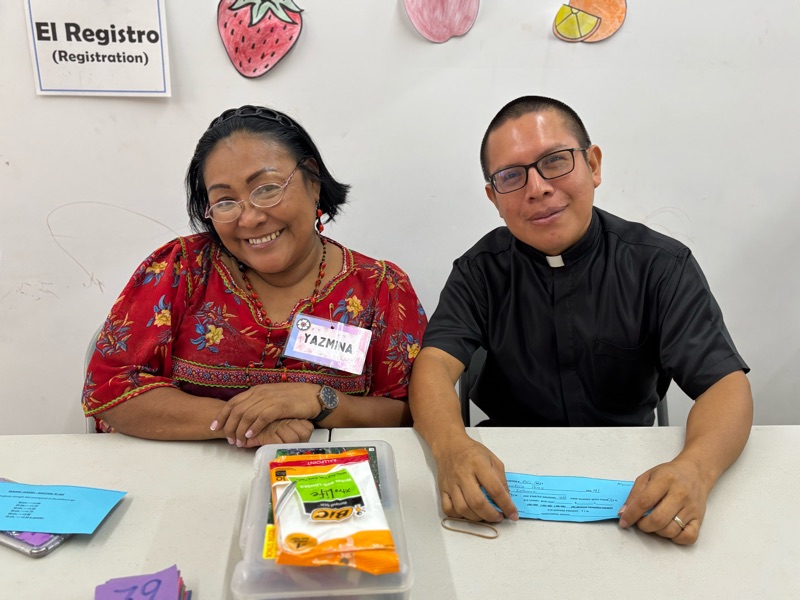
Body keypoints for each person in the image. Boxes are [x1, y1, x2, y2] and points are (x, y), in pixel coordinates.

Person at [408, 95, 753, 545]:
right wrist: (452, 447)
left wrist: (696, 469)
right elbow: (434, 364)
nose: (537, 188)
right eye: (511, 176)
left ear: (593, 165)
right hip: (510, 480)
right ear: (494, 198)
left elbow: (724, 384)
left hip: (632, 476)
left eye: (555, 161)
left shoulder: (660, 266)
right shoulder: (479, 271)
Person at [83, 105, 427, 447]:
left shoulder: (380, 289)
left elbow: (412, 410)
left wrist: (320, 400)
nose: (249, 219)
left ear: (312, 181)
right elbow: (110, 388)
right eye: (225, 201)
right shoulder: (182, 269)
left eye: (267, 189)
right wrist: (242, 423)